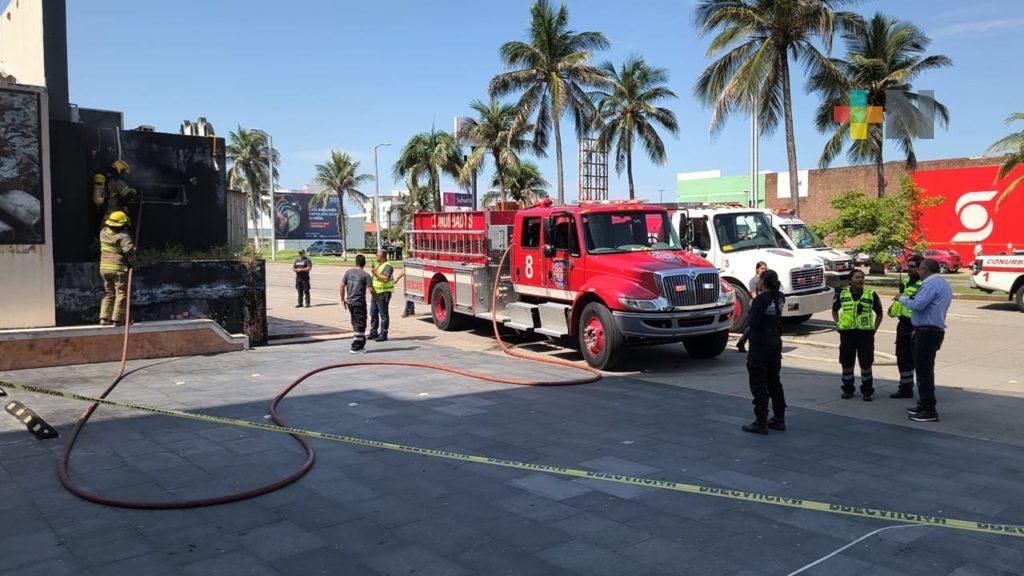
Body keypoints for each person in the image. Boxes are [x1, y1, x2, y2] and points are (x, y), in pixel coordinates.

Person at [896, 258, 953, 422]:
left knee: (924, 371)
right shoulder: (943, 283)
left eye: (919, 268)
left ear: (925, 270)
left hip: (927, 332)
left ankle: (929, 410)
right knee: (923, 370)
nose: (917, 271)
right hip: (930, 331)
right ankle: (923, 404)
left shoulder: (930, 284)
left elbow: (918, 305)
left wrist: (901, 298)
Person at [743, 269, 786, 435]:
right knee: (774, 381)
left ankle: (761, 421)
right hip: (775, 341)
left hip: (760, 344)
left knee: (758, 382)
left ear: (763, 282)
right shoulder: (780, 297)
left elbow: (753, 322)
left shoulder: (760, 299)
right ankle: (779, 418)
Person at [832, 269, 883, 401]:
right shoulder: (842, 294)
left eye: (862, 277)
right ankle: (847, 389)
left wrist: (874, 329)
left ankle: (867, 391)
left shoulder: (871, 294)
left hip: (865, 334)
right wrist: (837, 324)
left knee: (866, 363)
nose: (860, 280)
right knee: (846, 362)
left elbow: (879, 313)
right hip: (847, 333)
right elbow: (834, 310)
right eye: (857, 277)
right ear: (850, 280)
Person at [887, 254, 924, 399]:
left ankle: (924, 392)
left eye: (912, 267)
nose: (909, 269)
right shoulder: (907, 281)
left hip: (916, 326)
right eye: (908, 266)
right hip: (903, 325)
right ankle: (905, 388)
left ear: (921, 268)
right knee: (902, 357)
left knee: (918, 360)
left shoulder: (924, 285)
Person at [98, 210, 136, 326]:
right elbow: (129, 251)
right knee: (121, 294)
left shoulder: (103, 233)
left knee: (109, 293)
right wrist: (134, 263)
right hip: (118, 269)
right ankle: (119, 320)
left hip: (104, 268)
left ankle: (104, 318)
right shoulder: (124, 236)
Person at [341, 254, 372, 353]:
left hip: (350, 302)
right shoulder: (365, 275)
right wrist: (377, 299)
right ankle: (356, 347)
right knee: (360, 322)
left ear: (356, 262)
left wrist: (342, 300)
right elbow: (371, 289)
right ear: (364, 263)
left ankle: (360, 344)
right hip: (359, 302)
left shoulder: (348, 272)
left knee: (355, 322)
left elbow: (342, 286)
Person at [736, 261, 768, 353]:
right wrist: (761, 304)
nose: (764, 270)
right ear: (757, 269)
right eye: (762, 268)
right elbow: (754, 295)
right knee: (752, 327)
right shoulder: (754, 281)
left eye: (765, 268)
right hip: (756, 306)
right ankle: (742, 342)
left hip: (765, 305)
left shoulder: (765, 280)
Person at [368, 248, 395, 342]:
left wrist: (375, 272)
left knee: (383, 314)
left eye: (377, 255)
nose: (376, 257)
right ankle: (373, 332)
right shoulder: (379, 265)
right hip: (375, 293)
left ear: (383, 257)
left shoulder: (388, 266)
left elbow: (385, 278)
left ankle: (383, 334)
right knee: (373, 313)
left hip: (383, 293)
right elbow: (376, 278)